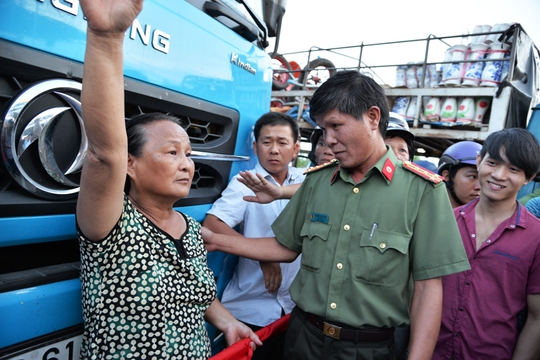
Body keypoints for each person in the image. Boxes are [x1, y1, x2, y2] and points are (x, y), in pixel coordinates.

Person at [204, 70, 470, 360]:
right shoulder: (317, 181)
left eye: (336, 126)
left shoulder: (422, 192)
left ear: (372, 117)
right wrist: (215, 240)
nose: (328, 140)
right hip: (302, 339)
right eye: (323, 129)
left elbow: (427, 291)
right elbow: (286, 246)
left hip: (368, 349)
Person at [75, 1, 261, 359]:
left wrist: (226, 321)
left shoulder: (190, 229)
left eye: (189, 154)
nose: (187, 165)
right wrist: (107, 37)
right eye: (172, 152)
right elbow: (104, 154)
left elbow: (198, 294)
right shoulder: (112, 224)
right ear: (130, 164)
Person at [203, 112, 304, 360]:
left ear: (296, 149)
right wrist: (263, 256)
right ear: (255, 146)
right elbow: (213, 224)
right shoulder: (245, 182)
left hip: (294, 308)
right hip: (250, 311)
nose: (274, 150)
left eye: (282, 143)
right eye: (267, 142)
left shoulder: (305, 182)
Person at [433, 128, 540, 360]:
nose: (499, 175)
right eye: (493, 162)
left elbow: (536, 318)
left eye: (513, 169)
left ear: (529, 178)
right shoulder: (444, 221)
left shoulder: (536, 237)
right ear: (479, 161)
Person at [437, 141, 483, 208]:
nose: (479, 187)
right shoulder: (424, 214)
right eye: (472, 176)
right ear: (447, 176)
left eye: (483, 178)